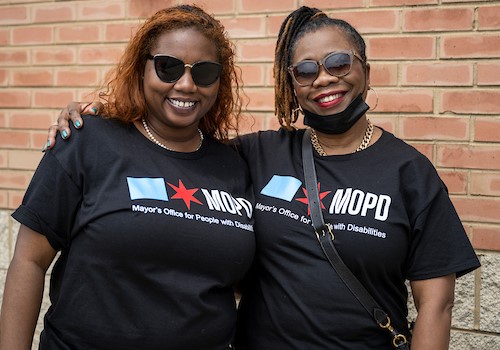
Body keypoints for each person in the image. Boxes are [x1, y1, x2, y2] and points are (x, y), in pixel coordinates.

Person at [40, 6, 481, 350]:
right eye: (305, 70)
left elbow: (435, 306)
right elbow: (176, 147)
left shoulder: (411, 172)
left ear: (364, 67)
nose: (324, 78)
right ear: (292, 85)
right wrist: (104, 108)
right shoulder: (259, 153)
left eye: (339, 62)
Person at [0, 5, 256, 350]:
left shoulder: (235, 166)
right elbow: (29, 260)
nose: (185, 84)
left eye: (205, 72)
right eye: (168, 67)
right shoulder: (87, 141)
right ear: (142, 69)